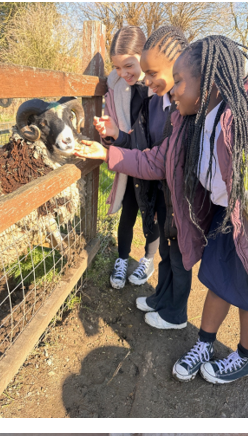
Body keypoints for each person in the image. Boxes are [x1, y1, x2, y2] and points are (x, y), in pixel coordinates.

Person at [78, 35, 248, 384]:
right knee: (218, 282)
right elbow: (156, 160)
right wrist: (107, 154)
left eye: (179, 82)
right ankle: (204, 343)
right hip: (225, 217)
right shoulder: (188, 122)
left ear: (211, 84)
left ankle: (246, 357)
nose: (172, 91)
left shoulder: (247, 115)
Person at [99, 26, 193, 331]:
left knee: (178, 254)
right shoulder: (155, 101)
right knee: (166, 249)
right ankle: (160, 298)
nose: (148, 82)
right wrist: (117, 137)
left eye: (151, 73)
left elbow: (160, 159)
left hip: (179, 191)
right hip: (162, 187)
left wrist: (108, 155)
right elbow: (143, 146)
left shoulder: (182, 107)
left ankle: (176, 314)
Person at [102, 26, 161, 290]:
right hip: (129, 162)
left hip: (154, 164)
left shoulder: (157, 90)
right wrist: (108, 135)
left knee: (154, 216)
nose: (123, 73)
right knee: (128, 212)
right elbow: (115, 128)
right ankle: (122, 258)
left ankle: (148, 258)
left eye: (128, 65)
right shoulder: (116, 91)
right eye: (116, 68)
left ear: (143, 57)